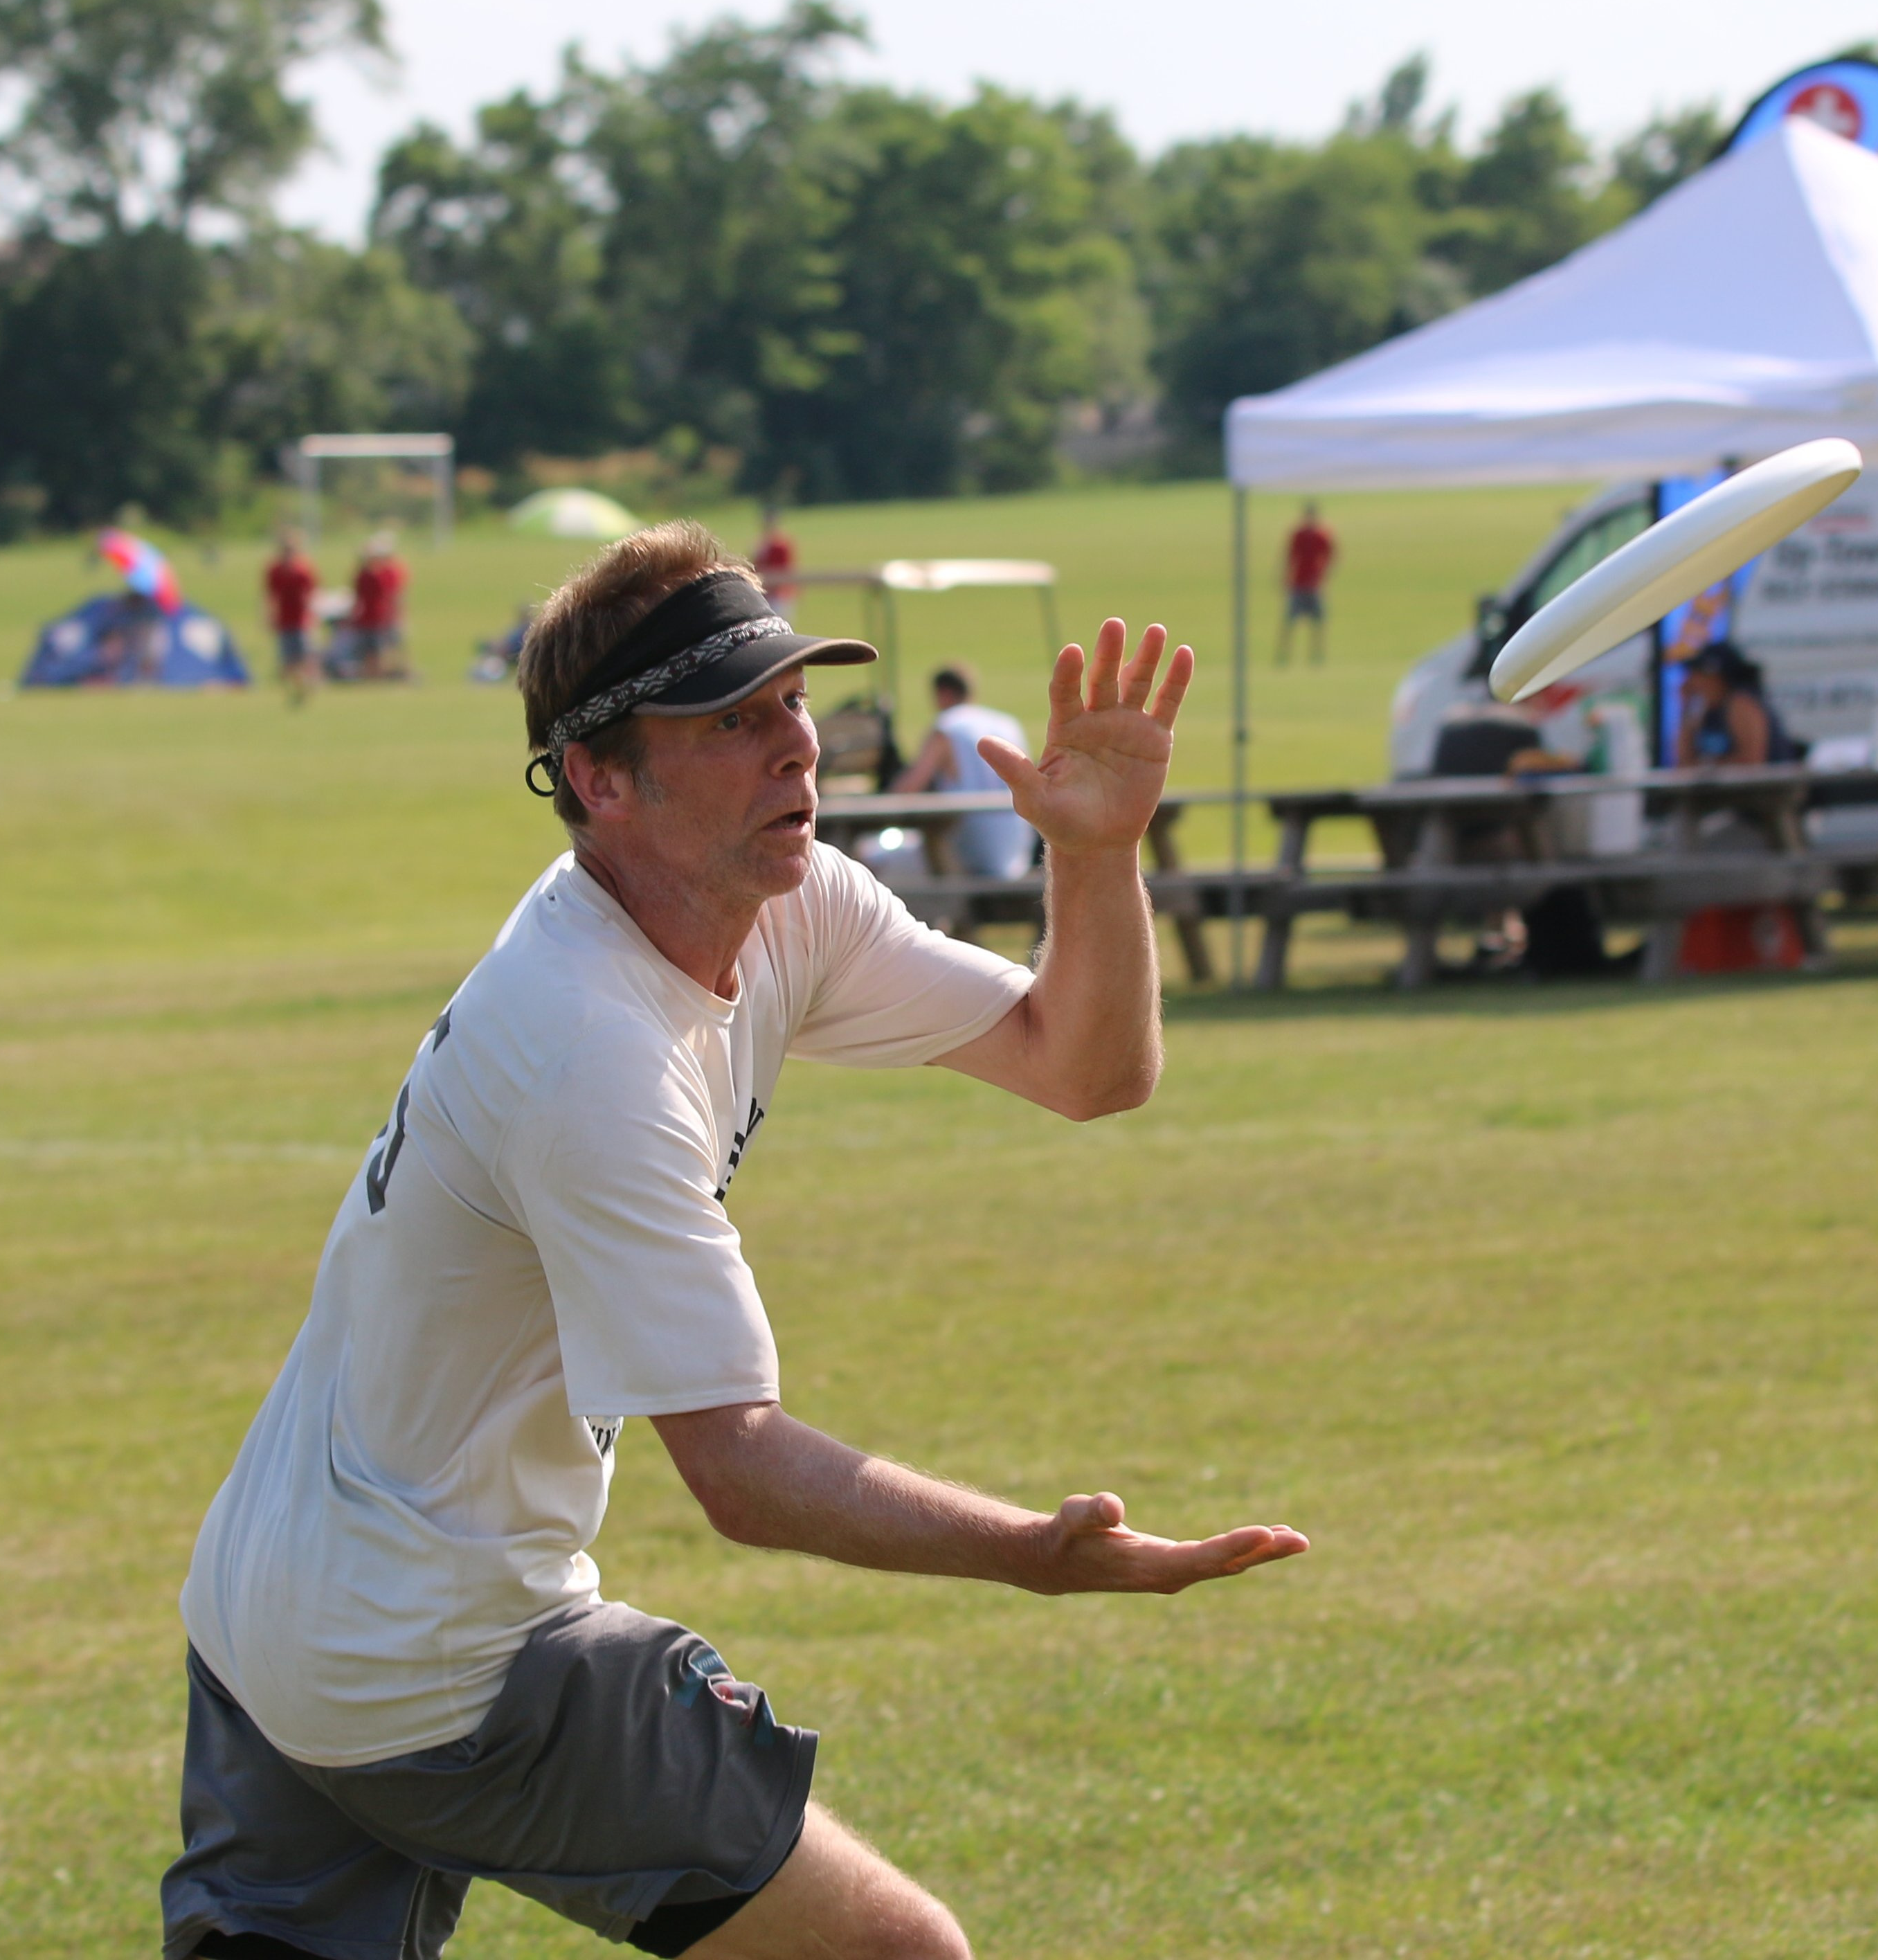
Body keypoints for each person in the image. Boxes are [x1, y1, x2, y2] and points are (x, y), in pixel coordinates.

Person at [164, 528, 1301, 1960]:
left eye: (792, 701)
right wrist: (1028, 1551)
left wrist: (1096, 856)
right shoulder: (587, 1046)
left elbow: (1082, 1065)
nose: (795, 746)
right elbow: (742, 1471)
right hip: (442, 1654)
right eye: (728, 720)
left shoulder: (787, 902)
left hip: (262, 1613)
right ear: (598, 778)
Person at [891, 663, 1039, 879]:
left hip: (973, 857)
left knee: (874, 855)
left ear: (943, 694)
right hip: (1019, 853)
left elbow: (907, 790)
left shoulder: (947, 726)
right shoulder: (1009, 724)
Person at [1672, 639, 1800, 768]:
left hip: (1765, 781)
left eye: (1696, 675)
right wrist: (1686, 708)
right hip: (1724, 781)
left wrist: (1705, 768)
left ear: (1716, 678)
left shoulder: (1742, 703)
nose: (1691, 682)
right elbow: (1683, 763)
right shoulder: (1703, 710)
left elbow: (1751, 763)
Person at [263, 528, 319, 705]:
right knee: (288, 661)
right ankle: (296, 689)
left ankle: (308, 686)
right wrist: (269, 616)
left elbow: (311, 594)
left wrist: (313, 616)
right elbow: (270, 596)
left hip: (301, 620)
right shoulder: (275, 570)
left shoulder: (303, 570)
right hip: (284, 620)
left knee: (305, 658)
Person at [1279, 503, 1335, 666]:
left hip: (1314, 585)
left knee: (1318, 622)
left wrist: (1322, 576)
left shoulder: (1322, 535)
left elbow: (1330, 557)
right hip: (1299, 583)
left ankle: (1317, 655)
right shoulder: (1299, 535)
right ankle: (1284, 655)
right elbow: (1291, 556)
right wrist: (1286, 578)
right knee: (1290, 621)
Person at [352, 530, 410, 681]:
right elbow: (358, 598)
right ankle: (372, 676)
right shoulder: (363, 575)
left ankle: (389, 676)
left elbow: (394, 597)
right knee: (370, 651)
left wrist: (397, 616)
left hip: (382, 618)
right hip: (368, 619)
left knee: (386, 650)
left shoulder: (387, 573)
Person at [752, 505, 798, 605]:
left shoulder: (781, 544)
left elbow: (785, 569)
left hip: (779, 595)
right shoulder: (761, 544)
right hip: (763, 592)